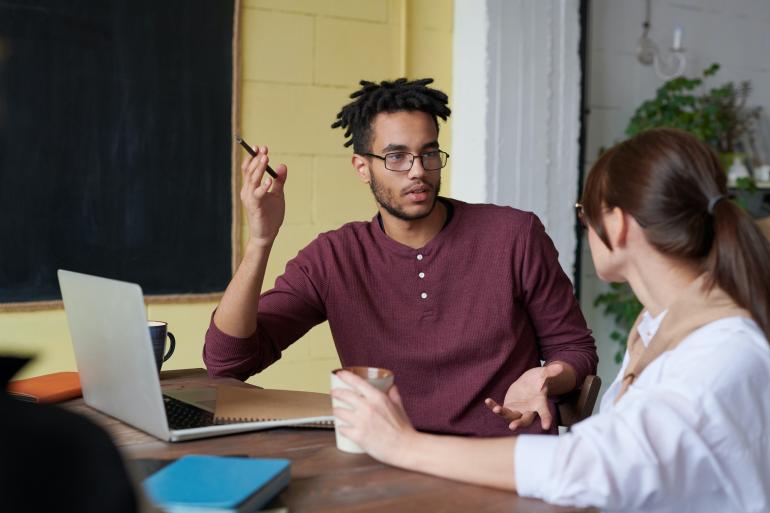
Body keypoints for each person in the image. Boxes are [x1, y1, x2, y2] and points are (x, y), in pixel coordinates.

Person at [331, 128, 770, 512]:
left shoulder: (721, 353)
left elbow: (593, 465)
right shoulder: (661, 329)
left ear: (616, 226)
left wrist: (403, 445)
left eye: (584, 212)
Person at [204, 78, 597, 437]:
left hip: (501, 459)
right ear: (362, 167)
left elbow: (576, 349)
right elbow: (228, 361)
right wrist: (260, 240)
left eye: (428, 154)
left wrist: (545, 379)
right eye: (396, 157)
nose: (417, 172)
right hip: (389, 460)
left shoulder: (514, 235)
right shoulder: (334, 257)